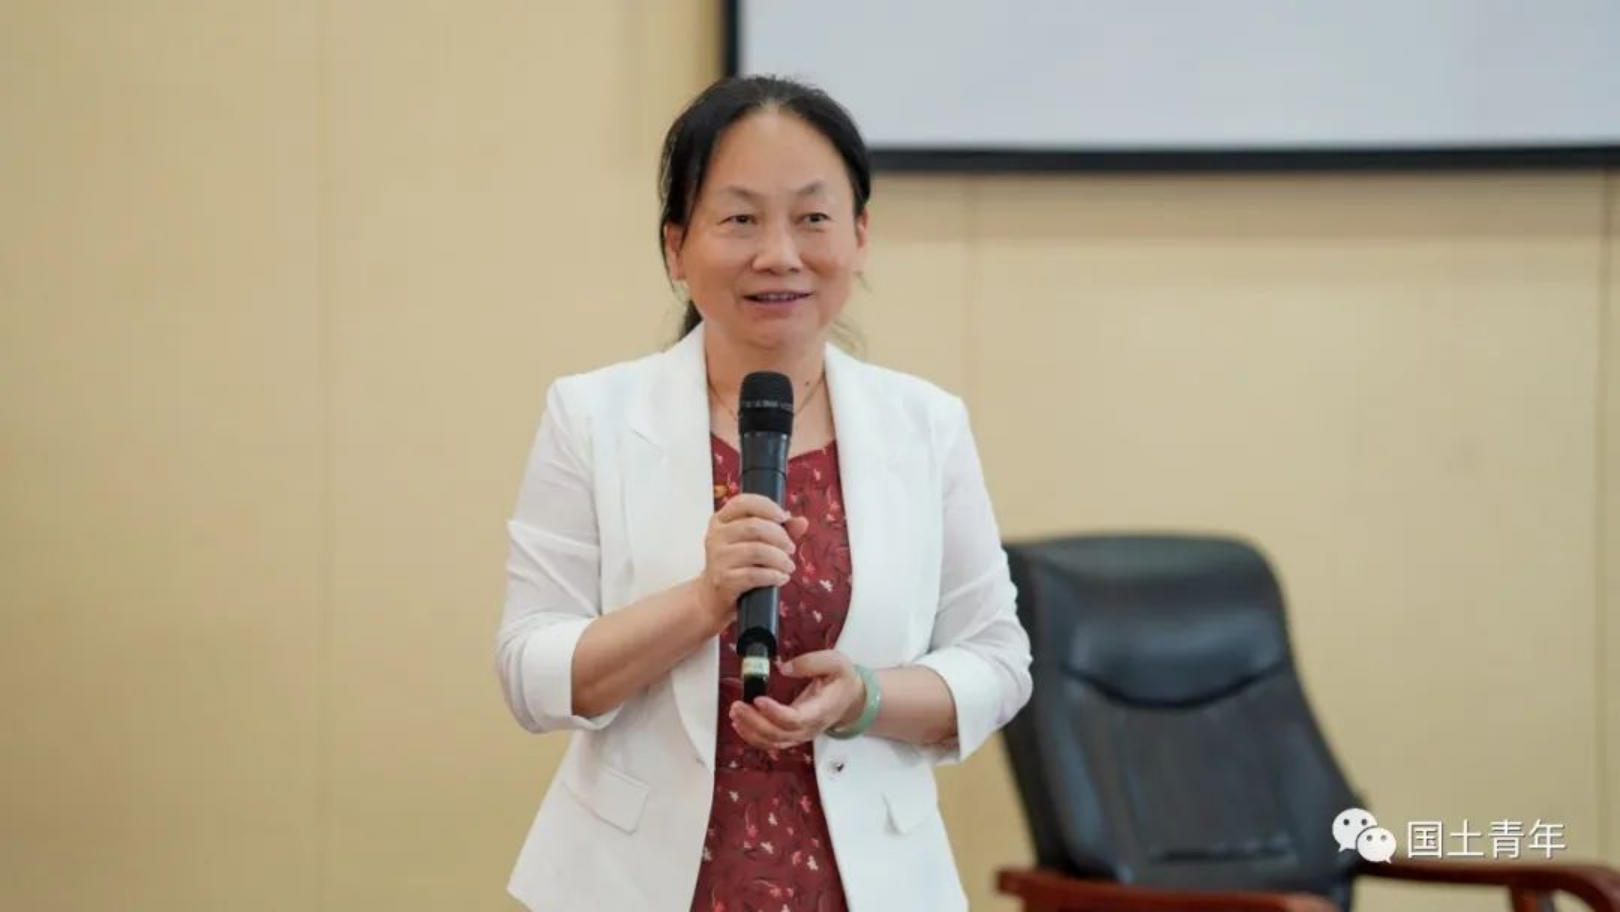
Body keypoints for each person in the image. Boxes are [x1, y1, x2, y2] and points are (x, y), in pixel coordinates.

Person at [494, 74, 1032, 912]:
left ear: (859, 236)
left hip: (868, 887)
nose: (779, 253)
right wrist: (702, 601)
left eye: (812, 218)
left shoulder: (925, 425)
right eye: (740, 219)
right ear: (677, 247)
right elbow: (530, 672)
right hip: (638, 885)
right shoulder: (593, 416)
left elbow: (996, 661)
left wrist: (867, 698)